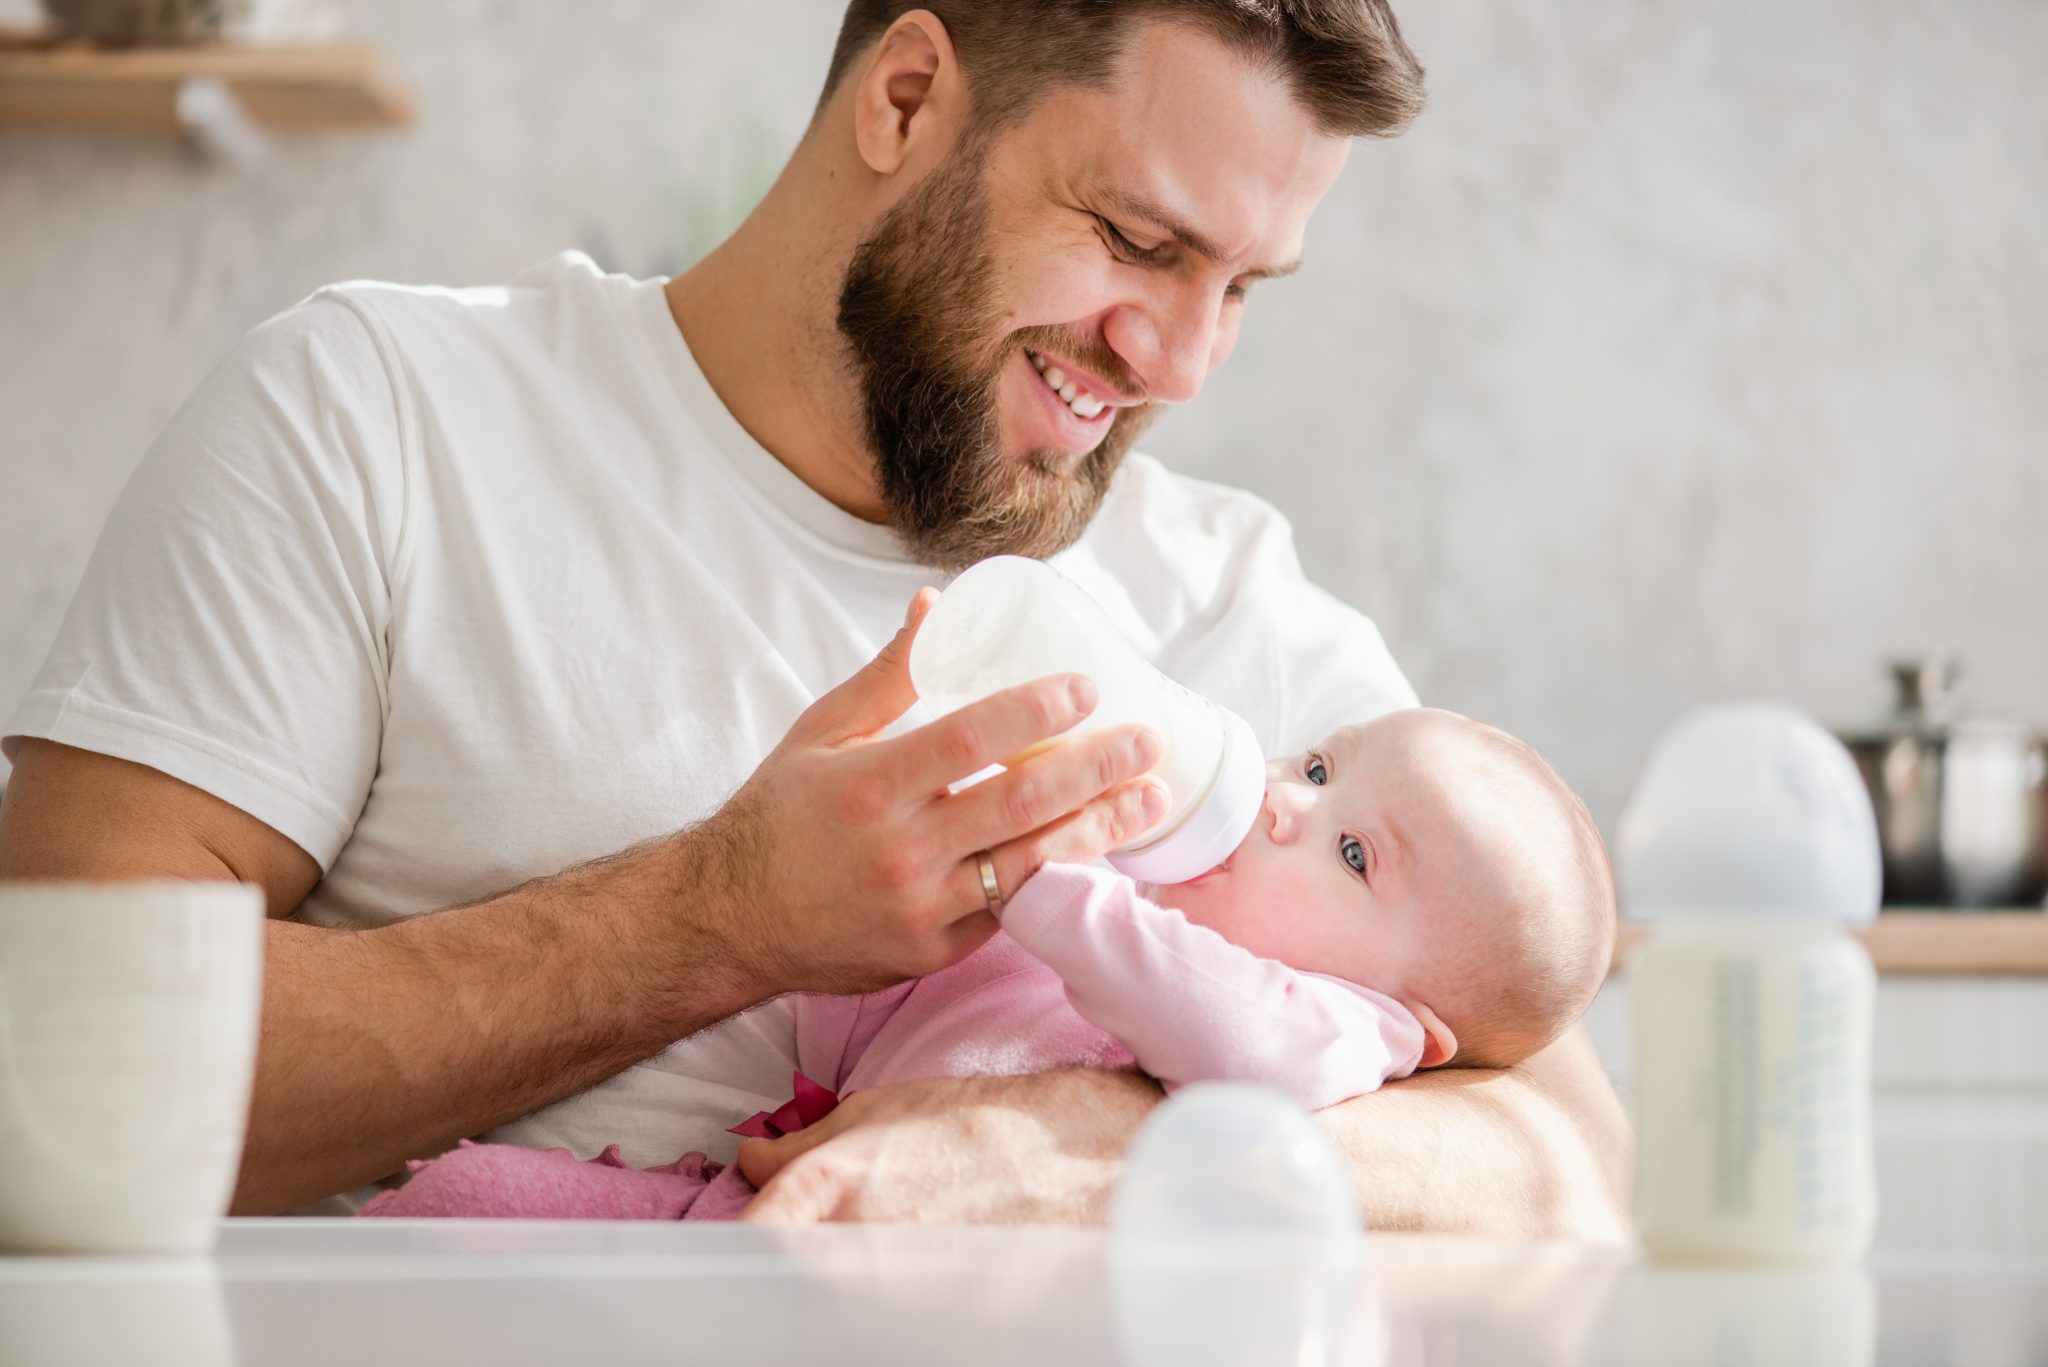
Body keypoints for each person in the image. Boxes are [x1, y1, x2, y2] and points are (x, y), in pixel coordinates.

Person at [0, 0, 1631, 1235]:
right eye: (1138, 241)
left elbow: (1561, 1155)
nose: (1184, 357)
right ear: (906, 97)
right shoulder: (379, 418)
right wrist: (714, 916)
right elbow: (40, 1069)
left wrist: (1073, 1143)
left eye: (1243, 288)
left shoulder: (1236, 614)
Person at [357, 706, 1618, 1221]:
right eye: (1318, 766)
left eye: (1352, 850)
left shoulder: (1341, 1032)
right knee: (467, 1209)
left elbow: (1228, 1038)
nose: (1284, 803)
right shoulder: (1135, 890)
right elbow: (852, 1000)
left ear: (1418, 1020)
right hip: (762, 1194)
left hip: (1012, 1301)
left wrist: (1039, 876)